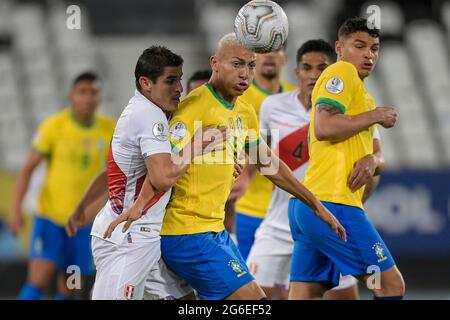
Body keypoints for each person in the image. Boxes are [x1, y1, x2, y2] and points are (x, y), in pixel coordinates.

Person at [158, 33, 346, 300]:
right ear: (215, 63)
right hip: (186, 233)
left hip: (214, 230)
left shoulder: (244, 112)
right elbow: (161, 170)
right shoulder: (193, 108)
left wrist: (316, 205)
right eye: (237, 64)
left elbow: (270, 165)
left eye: (250, 65)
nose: (245, 73)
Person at [76, 46, 226, 300]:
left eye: (179, 79)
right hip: (129, 238)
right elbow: (163, 178)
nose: (179, 88)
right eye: (170, 81)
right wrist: (196, 145)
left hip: (144, 233)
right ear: (145, 83)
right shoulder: (148, 115)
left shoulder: (151, 113)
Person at [247, 39, 385, 300]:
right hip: (278, 224)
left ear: (332, 72)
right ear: (297, 72)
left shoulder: (356, 109)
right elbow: (258, 155)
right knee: (249, 299)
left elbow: (377, 157)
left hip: (331, 223)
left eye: (322, 68)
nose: (314, 75)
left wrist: (367, 180)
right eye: (307, 68)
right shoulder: (272, 107)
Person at [288, 17, 404, 300]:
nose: (369, 54)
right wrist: (377, 115)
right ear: (340, 48)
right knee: (390, 285)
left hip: (308, 206)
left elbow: (379, 156)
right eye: (360, 46)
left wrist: (372, 161)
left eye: (374, 48)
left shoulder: (362, 98)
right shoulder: (342, 72)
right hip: (334, 205)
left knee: (307, 293)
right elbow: (324, 127)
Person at [8, 72, 115, 300]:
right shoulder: (54, 127)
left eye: (93, 92)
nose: (87, 98)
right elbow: (27, 169)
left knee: (71, 288)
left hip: (82, 225)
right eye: (82, 92)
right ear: (71, 96)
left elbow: (113, 175)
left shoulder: (109, 129)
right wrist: (16, 210)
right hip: (51, 219)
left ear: (99, 97)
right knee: (38, 279)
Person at [230, 44, 297, 260]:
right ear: (252, 58)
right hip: (247, 208)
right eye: (262, 49)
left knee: (293, 288)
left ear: (285, 57)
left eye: (276, 49)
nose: (269, 55)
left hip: (288, 211)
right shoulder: (239, 97)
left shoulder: (298, 98)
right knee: (250, 286)